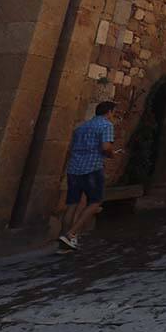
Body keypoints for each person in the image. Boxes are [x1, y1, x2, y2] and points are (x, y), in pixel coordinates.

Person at [58, 101, 118, 251]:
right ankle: (71, 235)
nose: (113, 115)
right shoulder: (106, 125)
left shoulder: (81, 127)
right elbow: (105, 147)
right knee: (95, 203)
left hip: (74, 169)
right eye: (113, 112)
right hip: (92, 168)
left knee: (72, 204)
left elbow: (72, 148)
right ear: (109, 112)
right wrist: (112, 154)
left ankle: (63, 239)